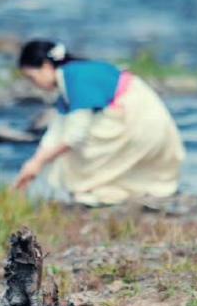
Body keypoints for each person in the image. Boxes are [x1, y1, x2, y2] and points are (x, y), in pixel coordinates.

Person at [13, 40, 186, 206]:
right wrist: (35, 162)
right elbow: (58, 128)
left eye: (32, 77)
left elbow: (75, 134)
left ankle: (91, 189)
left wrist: (40, 162)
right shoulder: (73, 76)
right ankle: (101, 189)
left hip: (139, 122)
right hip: (150, 121)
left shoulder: (75, 78)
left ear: (46, 67)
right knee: (68, 143)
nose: (34, 84)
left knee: (80, 146)